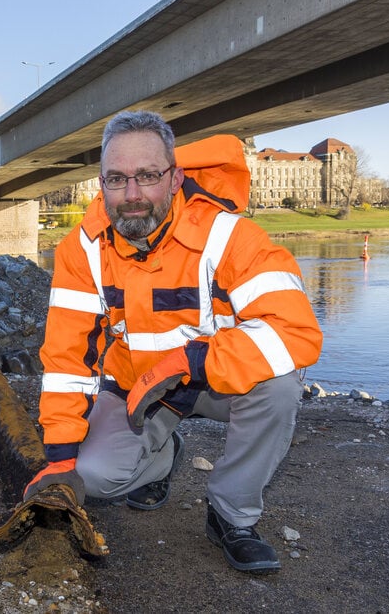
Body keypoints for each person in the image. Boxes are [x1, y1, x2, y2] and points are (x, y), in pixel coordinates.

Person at [25, 110, 322, 574]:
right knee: (92, 478)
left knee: (280, 387)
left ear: (175, 176)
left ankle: (232, 515)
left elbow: (295, 330)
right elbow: (67, 360)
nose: (133, 195)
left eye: (147, 176)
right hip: (135, 389)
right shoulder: (81, 249)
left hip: (217, 382)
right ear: (100, 184)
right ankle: (162, 458)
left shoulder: (230, 237)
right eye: (117, 179)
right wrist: (60, 456)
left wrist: (194, 361)